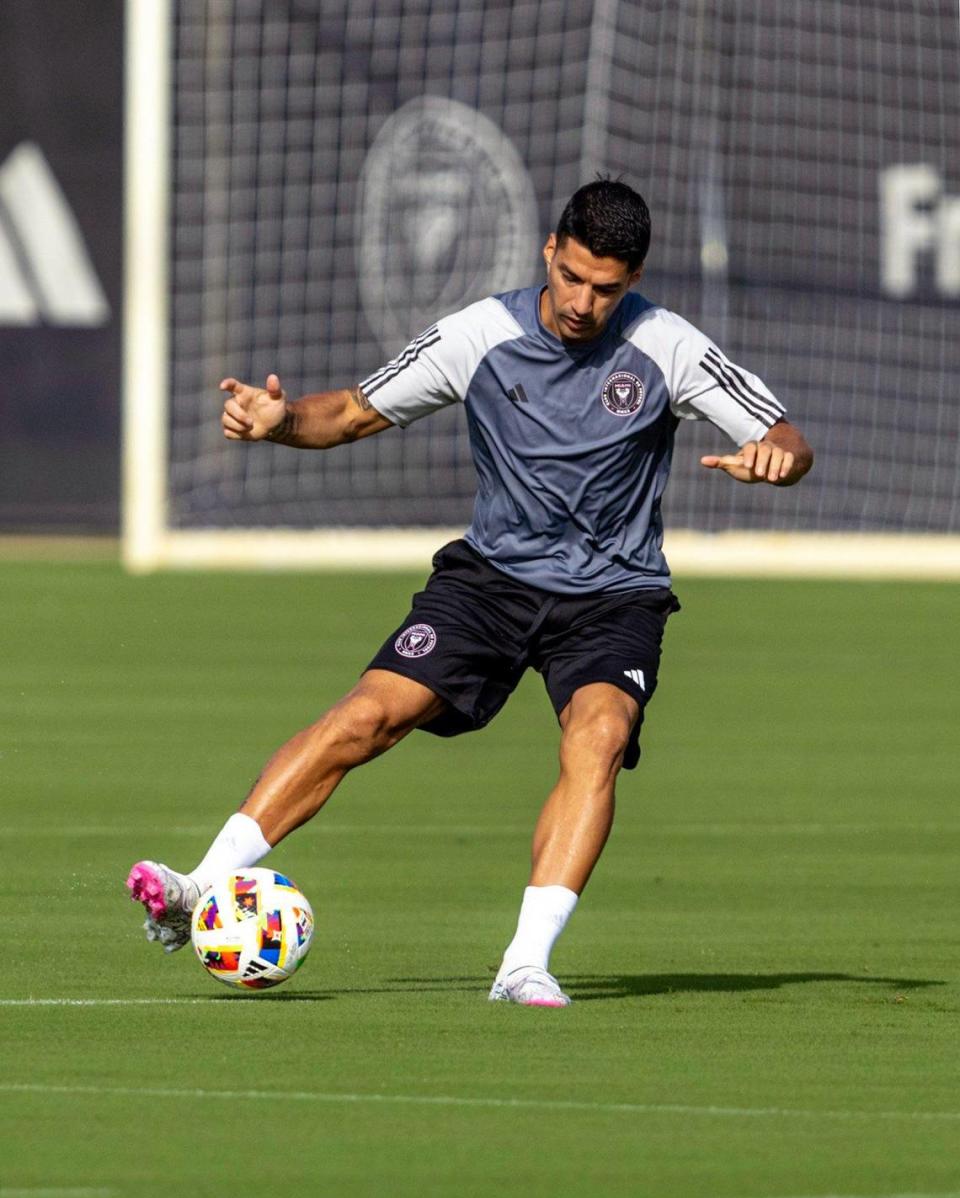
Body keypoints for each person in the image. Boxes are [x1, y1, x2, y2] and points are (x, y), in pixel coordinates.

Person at [127, 179, 813, 1007]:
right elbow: (347, 413)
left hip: (612, 596)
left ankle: (524, 962)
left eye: (608, 289)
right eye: (573, 279)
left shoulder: (667, 345)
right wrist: (279, 422)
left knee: (598, 738)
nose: (584, 304)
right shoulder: (479, 333)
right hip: (489, 583)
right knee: (365, 718)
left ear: (631, 281)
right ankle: (202, 887)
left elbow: (780, 433)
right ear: (549, 254)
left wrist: (778, 457)